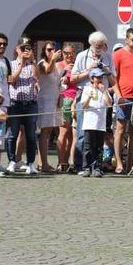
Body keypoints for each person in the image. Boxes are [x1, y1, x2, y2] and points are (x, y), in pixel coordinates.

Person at [71, 31, 114, 173]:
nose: (99, 48)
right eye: (97, 45)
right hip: (85, 94)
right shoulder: (82, 56)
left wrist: (107, 71)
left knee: (98, 135)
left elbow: (114, 82)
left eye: (102, 45)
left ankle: (96, 166)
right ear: (91, 44)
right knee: (83, 134)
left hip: (102, 97)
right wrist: (89, 71)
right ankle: (80, 166)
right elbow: (72, 79)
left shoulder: (108, 57)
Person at [112, 27, 133, 174]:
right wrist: (118, 95)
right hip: (123, 97)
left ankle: (130, 163)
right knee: (120, 129)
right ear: (126, 40)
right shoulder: (118, 55)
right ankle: (119, 163)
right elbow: (113, 78)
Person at [5, 37, 39, 175]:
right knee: (12, 135)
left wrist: (32, 61)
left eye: (28, 48)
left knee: (31, 136)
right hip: (15, 104)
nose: (25, 51)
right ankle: (12, 161)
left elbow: (37, 77)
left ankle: (30, 163)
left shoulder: (32, 65)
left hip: (31, 104)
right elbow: (12, 80)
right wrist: (22, 63)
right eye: (22, 48)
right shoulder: (11, 64)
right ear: (17, 50)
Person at [80, 68, 112, 177]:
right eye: (97, 77)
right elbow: (83, 106)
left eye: (101, 77)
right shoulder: (86, 89)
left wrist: (104, 92)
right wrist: (89, 96)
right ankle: (87, 168)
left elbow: (109, 104)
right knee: (88, 147)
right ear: (92, 79)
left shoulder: (104, 90)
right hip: (89, 123)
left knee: (99, 147)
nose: (100, 79)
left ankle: (97, 167)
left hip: (100, 124)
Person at [37, 41, 64, 172]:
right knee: (45, 132)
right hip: (45, 101)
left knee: (49, 132)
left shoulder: (56, 66)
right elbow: (47, 71)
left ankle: (42, 162)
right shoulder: (42, 63)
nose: (51, 52)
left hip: (54, 101)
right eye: (48, 49)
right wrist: (53, 59)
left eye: (53, 49)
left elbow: (56, 83)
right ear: (44, 51)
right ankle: (44, 163)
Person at [57, 44, 78, 173]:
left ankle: (68, 161)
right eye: (66, 53)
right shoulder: (59, 65)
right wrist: (64, 71)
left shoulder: (77, 65)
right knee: (63, 132)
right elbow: (55, 81)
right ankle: (61, 162)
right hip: (64, 99)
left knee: (72, 134)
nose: (69, 56)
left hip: (75, 100)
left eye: (71, 53)